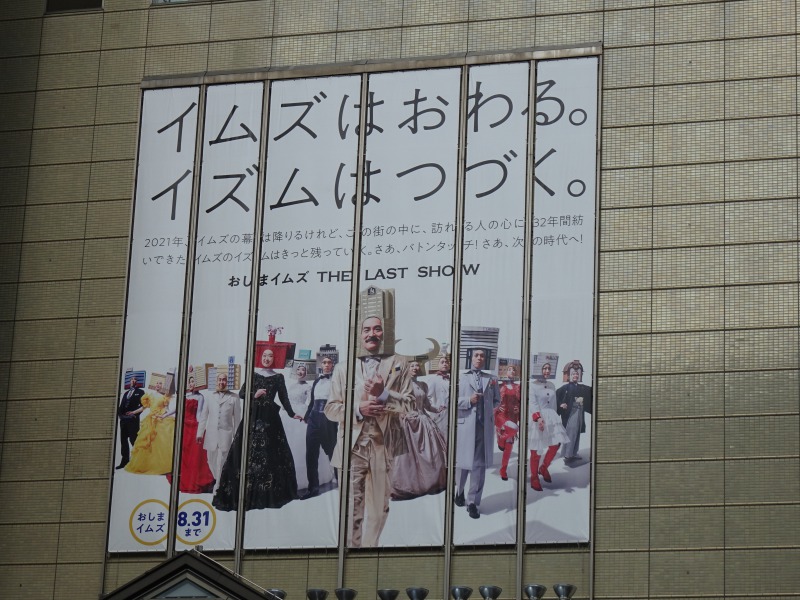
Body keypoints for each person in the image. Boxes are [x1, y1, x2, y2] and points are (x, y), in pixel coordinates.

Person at [324, 313, 413, 547]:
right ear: (360, 334)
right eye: (367, 330)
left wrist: (384, 394)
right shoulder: (343, 368)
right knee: (351, 509)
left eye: (377, 329)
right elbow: (330, 409)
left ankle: (369, 552)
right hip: (352, 448)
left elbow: (410, 404)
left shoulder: (399, 363)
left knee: (379, 510)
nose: (371, 334)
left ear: (385, 333)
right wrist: (357, 409)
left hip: (384, 446)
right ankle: (351, 554)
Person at [213, 348, 303, 511]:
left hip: (270, 420)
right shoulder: (253, 375)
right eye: (265, 355)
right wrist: (255, 394)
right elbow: (242, 393)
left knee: (270, 453)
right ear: (261, 357)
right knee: (246, 451)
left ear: (274, 358)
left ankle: (268, 493)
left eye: (270, 356)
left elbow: (284, 398)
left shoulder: (279, 377)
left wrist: (292, 414)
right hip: (253, 417)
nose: (267, 358)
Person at [391, 360, 447, 500]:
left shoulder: (423, 385)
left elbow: (427, 405)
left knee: (432, 454)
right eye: (412, 366)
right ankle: (408, 485)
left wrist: (437, 409)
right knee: (407, 458)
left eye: (417, 365)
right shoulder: (400, 384)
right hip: (407, 423)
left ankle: (430, 482)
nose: (415, 368)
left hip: (423, 421)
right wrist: (402, 414)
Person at [455, 348, 501, 519]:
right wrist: (469, 400)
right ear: (471, 358)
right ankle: (459, 491)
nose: (479, 358)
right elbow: (450, 400)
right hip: (466, 427)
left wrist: (487, 410)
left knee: (479, 466)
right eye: (476, 355)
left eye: (482, 355)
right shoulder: (460, 377)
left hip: (484, 428)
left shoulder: (492, 379)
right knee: (463, 463)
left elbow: (497, 400)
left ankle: (473, 502)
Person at [168, 374, 215, 493]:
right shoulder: (186, 396)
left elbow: (199, 414)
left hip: (193, 426)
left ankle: (197, 479)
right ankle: (182, 478)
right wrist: (165, 415)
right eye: (190, 381)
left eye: (193, 381)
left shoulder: (200, 397)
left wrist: (202, 428)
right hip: (183, 426)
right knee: (183, 453)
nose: (191, 384)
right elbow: (177, 409)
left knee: (194, 454)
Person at [196, 372, 241, 494]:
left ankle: (218, 485)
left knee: (221, 461)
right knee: (210, 460)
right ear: (217, 381)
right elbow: (204, 417)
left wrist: (237, 437)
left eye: (224, 380)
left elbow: (237, 419)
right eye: (220, 380)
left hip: (225, 435)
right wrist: (200, 433)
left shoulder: (234, 397)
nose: (222, 382)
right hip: (211, 435)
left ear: (227, 382)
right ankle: (219, 478)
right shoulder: (210, 397)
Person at [301, 356, 338, 499]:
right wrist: (307, 416)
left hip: (328, 419)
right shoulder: (316, 381)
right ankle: (313, 488)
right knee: (311, 453)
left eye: (329, 362)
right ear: (321, 365)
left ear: (333, 365)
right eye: (324, 362)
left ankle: (341, 483)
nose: (326, 365)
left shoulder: (336, 380)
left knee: (333, 453)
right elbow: (312, 402)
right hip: (313, 418)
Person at [529, 361, 569, 491]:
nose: (547, 371)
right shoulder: (532, 385)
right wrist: (538, 418)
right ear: (538, 369)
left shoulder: (551, 385)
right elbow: (533, 404)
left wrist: (558, 409)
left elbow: (552, 404)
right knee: (536, 449)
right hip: (538, 418)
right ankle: (534, 477)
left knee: (555, 444)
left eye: (549, 368)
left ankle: (544, 467)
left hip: (551, 417)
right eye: (544, 368)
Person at [125, 376, 177, 475]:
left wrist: (165, 415)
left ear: (163, 386)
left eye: (160, 383)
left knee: (161, 442)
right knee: (148, 442)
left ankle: (160, 465)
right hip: (150, 420)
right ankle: (147, 465)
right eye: (157, 383)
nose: (158, 385)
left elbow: (167, 410)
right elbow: (143, 408)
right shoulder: (150, 395)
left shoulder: (164, 397)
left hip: (160, 419)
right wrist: (133, 412)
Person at [556, 360, 593, 464]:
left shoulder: (581, 387)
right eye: (573, 374)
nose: (575, 376)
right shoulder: (565, 387)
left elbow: (592, 391)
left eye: (577, 374)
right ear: (569, 376)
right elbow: (555, 397)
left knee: (577, 433)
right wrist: (561, 404)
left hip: (579, 412)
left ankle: (574, 453)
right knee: (570, 433)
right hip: (571, 413)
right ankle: (568, 454)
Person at [495, 364, 521, 481]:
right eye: (509, 369)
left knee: (509, 445)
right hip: (501, 416)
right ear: (505, 372)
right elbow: (491, 399)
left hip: (512, 416)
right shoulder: (499, 385)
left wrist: (518, 408)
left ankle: (503, 470)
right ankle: (501, 440)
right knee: (514, 429)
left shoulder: (518, 386)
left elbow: (521, 401)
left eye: (513, 370)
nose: (512, 371)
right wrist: (496, 407)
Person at [116, 374, 144, 470]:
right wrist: (120, 415)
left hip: (133, 420)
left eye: (135, 379)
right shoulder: (125, 393)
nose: (133, 381)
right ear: (130, 381)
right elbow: (121, 406)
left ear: (137, 382)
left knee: (134, 440)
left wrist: (134, 414)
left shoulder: (140, 392)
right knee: (123, 441)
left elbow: (143, 406)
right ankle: (124, 461)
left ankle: (139, 461)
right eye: (132, 379)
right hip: (124, 421)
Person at [426, 352, 451, 437]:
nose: (445, 364)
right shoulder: (433, 380)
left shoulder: (452, 379)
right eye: (442, 362)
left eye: (446, 362)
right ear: (438, 365)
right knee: (440, 437)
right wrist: (434, 409)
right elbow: (427, 397)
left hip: (451, 413)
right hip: (440, 414)